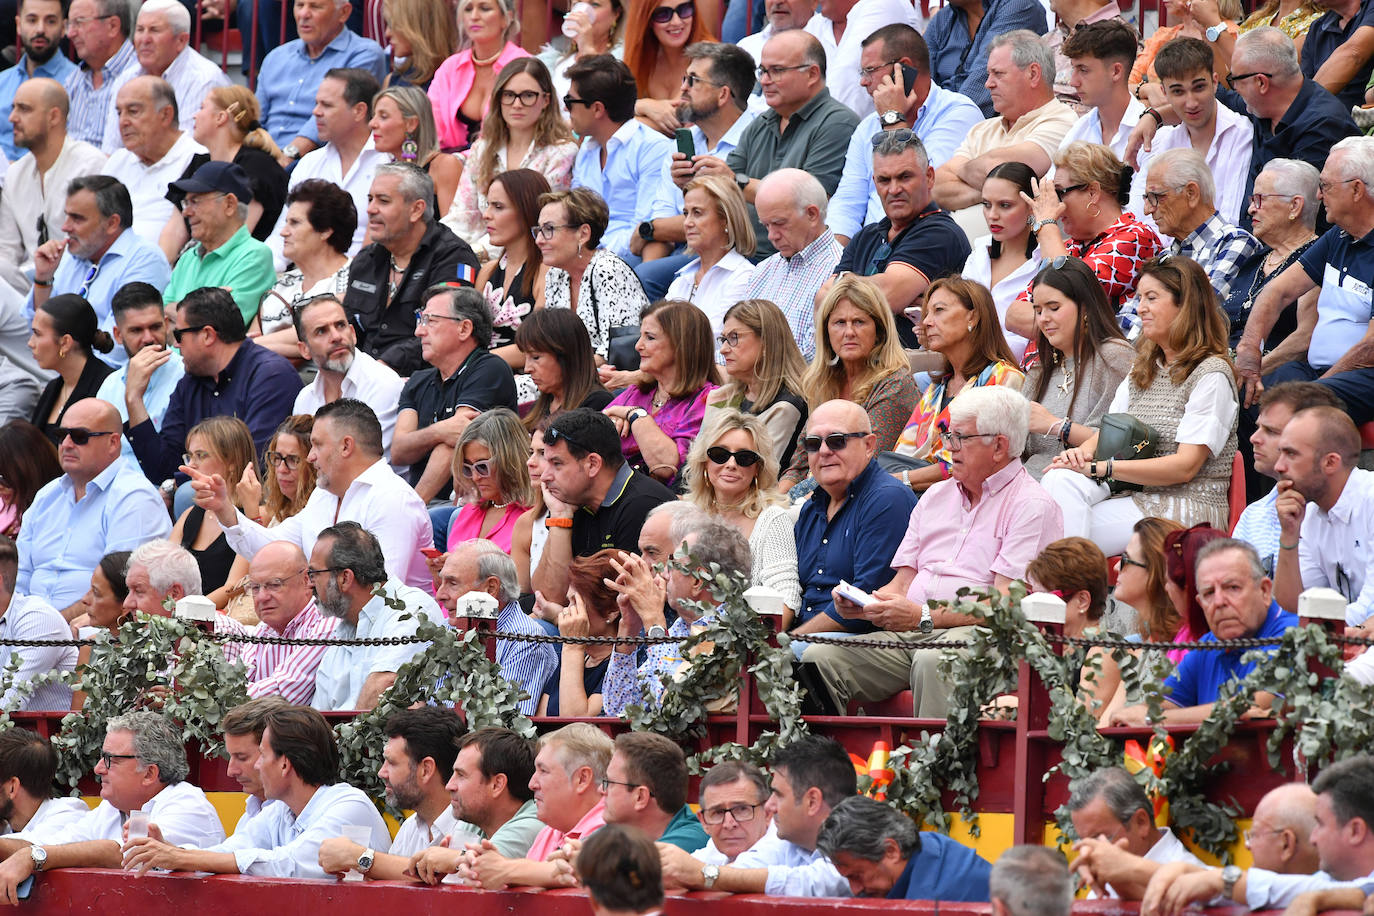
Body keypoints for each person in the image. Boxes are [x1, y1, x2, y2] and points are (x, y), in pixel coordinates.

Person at [799, 386, 1063, 717]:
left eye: (959, 438)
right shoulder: (937, 495)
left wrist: (923, 617)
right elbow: (901, 584)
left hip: (991, 640)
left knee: (933, 660)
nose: (948, 448)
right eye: (946, 435)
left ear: (999, 446)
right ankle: (824, 765)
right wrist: (867, 606)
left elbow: (1006, 604)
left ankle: (936, 770)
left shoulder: (1031, 505)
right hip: (917, 633)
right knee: (819, 658)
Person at [1041, 255, 1238, 554]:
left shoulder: (1211, 374)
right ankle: (1067, 589)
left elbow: (1185, 467)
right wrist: (1079, 456)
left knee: (1056, 527)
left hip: (1186, 508)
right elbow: (1109, 432)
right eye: (1139, 297)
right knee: (1059, 480)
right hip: (1135, 499)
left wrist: (1101, 468)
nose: (1140, 308)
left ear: (1185, 305)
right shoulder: (1145, 368)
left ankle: (1067, 590)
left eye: (1151, 298)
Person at [121, 705, 390, 878]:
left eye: (261, 755)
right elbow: (227, 852)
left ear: (285, 763)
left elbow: (290, 865)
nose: (258, 766)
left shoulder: (348, 804)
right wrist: (167, 849)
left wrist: (181, 857)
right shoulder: (281, 811)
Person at [195, 398, 434, 590]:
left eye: (317, 445)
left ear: (346, 446)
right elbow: (272, 550)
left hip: (384, 643)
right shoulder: (323, 495)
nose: (310, 457)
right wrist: (224, 508)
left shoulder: (392, 499)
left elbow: (383, 593)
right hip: (327, 632)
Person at [1129, 28, 1359, 226]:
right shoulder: (1263, 106)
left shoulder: (1322, 127)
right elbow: (1205, 101)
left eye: (1235, 80)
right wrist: (1153, 116)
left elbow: (1298, 219)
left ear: (1261, 82)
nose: (1234, 89)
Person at [0, 711, 225, 888]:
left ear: (149, 773)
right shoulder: (111, 808)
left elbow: (126, 854)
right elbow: (53, 844)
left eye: (110, 760)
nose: (98, 769)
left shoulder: (188, 805)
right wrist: (32, 853)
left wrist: (35, 856)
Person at [1238, 137, 1374, 420]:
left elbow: (1369, 349)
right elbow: (1276, 293)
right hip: (1318, 372)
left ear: (1357, 190)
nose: (1319, 196)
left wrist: (1317, 391)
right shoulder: (1337, 237)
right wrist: (1250, 353)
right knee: (1252, 391)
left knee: (1295, 405)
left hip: (1362, 376)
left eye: (1325, 186)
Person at [1138, 755, 1374, 913]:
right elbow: (1294, 888)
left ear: (1355, 830)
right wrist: (1197, 875)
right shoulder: (1328, 881)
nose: (1313, 838)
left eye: (1321, 824)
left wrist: (1223, 881)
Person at [701, 31, 857, 261]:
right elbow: (721, 189)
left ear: (812, 74)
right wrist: (696, 178)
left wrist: (734, 181)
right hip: (735, 253)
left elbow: (809, 201)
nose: (764, 80)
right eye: (763, 71)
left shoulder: (837, 123)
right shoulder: (761, 123)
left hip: (790, 258)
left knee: (652, 279)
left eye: (777, 71)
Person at [1110, 538, 1298, 726]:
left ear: (1264, 591)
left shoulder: (1293, 633)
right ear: (1200, 604)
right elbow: (1154, 706)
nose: (1219, 602)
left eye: (1232, 588)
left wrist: (1153, 720)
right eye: (1209, 593)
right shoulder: (1208, 646)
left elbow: (1260, 702)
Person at [829, 25, 984, 246]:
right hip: (867, 251)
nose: (863, 81)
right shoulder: (867, 126)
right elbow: (847, 202)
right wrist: (837, 261)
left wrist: (892, 118)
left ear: (904, 68)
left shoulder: (958, 113)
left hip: (921, 245)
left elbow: (919, 191)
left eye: (870, 70)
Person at [129, 287, 300, 486]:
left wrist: (175, 486)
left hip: (255, 503)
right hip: (206, 501)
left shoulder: (271, 376)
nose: (176, 345)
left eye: (178, 335)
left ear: (208, 335)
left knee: (186, 494)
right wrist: (134, 399)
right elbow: (162, 468)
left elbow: (252, 464)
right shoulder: (190, 383)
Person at [654, 735, 853, 896]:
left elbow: (813, 882)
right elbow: (744, 870)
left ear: (812, 801)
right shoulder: (789, 843)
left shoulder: (862, 836)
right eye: (717, 812)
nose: (770, 806)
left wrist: (701, 874)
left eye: (779, 795)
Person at [633, 42, 754, 301]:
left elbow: (736, 222)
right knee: (632, 273)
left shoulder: (754, 138)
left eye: (694, 80)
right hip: (684, 251)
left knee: (645, 276)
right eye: (684, 78)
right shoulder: (684, 142)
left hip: (732, 255)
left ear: (723, 94)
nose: (683, 88)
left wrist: (649, 229)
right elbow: (662, 216)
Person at [831, 131, 969, 349]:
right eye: (884, 180)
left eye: (905, 177)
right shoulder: (866, 236)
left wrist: (840, 283)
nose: (894, 189)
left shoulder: (939, 233)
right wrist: (858, 288)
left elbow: (888, 295)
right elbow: (822, 302)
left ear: (929, 177)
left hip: (912, 370)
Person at [787, 399, 917, 630]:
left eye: (837, 441)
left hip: (855, 642)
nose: (824, 451)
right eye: (813, 443)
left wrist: (786, 646)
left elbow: (863, 602)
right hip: (803, 639)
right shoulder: (810, 507)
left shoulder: (887, 499)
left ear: (869, 445)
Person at [888, 276, 1025, 494]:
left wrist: (898, 480)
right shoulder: (938, 388)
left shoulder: (1003, 378)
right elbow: (904, 451)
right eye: (926, 314)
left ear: (973, 316)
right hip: (918, 493)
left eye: (939, 310)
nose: (926, 322)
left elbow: (971, 462)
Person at [344, 163, 482, 376]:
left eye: (383, 201)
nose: (370, 209)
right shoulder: (366, 260)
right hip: (361, 375)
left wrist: (379, 369)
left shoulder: (452, 257)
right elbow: (349, 327)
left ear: (416, 209)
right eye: (370, 199)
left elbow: (446, 333)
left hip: (422, 380)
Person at [600, 516, 749, 713]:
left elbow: (671, 706)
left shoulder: (725, 632)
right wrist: (629, 628)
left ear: (698, 581)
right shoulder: (681, 627)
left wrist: (654, 619)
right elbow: (618, 709)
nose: (664, 574)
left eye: (674, 565)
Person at [780, 278, 917, 490]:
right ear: (826, 332)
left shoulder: (895, 384)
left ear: (879, 331)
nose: (849, 332)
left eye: (859, 322)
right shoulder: (823, 383)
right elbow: (799, 465)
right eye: (839, 323)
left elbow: (857, 466)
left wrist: (793, 504)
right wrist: (776, 505)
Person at [932, 31, 1075, 231]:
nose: (988, 83)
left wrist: (964, 171)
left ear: (1033, 74)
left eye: (998, 74)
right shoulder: (981, 129)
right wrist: (1000, 194)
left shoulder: (1062, 121)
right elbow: (938, 186)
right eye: (989, 74)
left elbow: (997, 167)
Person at [531, 408, 676, 600]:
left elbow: (618, 610)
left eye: (557, 464)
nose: (545, 476)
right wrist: (560, 518)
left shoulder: (644, 507)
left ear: (592, 464)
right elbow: (546, 596)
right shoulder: (572, 500)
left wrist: (556, 614)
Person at [443, 57, 577, 263]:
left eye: (528, 96)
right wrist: (441, 247)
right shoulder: (482, 149)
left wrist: (473, 253)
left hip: (532, 259)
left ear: (546, 100)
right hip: (475, 253)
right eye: (509, 95)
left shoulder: (561, 153)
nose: (517, 104)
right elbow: (463, 214)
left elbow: (531, 224)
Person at [392, 284, 517, 501]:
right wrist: (438, 431)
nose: (419, 331)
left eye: (430, 320)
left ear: (464, 329)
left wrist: (413, 509)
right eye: (421, 320)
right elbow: (399, 451)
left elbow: (457, 438)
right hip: (428, 504)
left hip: (472, 504)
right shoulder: (418, 380)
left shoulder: (489, 369)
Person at [305, 522, 445, 711]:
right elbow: (319, 717)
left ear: (345, 578)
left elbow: (384, 686)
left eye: (314, 574)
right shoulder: (343, 630)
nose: (310, 584)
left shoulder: (412, 609)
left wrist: (344, 739)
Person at [317, 706, 467, 879]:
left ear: (426, 769)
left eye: (392, 763)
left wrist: (360, 857)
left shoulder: (474, 828)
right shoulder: (410, 827)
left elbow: (435, 884)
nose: (382, 772)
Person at [1020, 256, 1135, 479]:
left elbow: (1123, 440)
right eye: (1038, 310)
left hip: (1080, 486)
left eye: (1053, 308)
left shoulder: (1114, 356)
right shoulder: (1039, 371)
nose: (1043, 319)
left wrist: (1055, 426)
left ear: (1085, 307)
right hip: (1027, 484)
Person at [461, 723, 614, 889]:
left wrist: (503, 869)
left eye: (543, 771)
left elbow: (581, 870)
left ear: (582, 779)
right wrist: (484, 868)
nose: (532, 784)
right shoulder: (551, 829)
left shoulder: (613, 827)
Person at [1021, 141, 1163, 316]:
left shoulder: (1137, 238)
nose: (1056, 204)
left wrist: (1046, 225)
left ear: (1093, 192)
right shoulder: (1069, 247)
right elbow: (1014, 314)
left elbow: (1065, 288)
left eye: (1060, 193)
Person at [266, 68, 384, 271]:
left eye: (326, 105)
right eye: (316, 103)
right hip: (305, 282)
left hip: (367, 282)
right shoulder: (309, 163)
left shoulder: (389, 161)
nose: (315, 112)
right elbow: (281, 237)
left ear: (359, 111)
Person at [26, 176, 170, 341]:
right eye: (67, 216)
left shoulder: (145, 260)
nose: (65, 227)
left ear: (112, 223)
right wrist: (43, 279)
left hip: (102, 365)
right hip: (55, 358)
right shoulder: (71, 255)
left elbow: (119, 345)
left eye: (77, 218)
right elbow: (35, 327)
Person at [0, 79, 106, 298]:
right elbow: (6, 252)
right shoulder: (15, 174)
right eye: (13, 109)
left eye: (24, 109)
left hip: (80, 291)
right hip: (27, 291)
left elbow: (94, 248)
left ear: (54, 117)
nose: (12, 118)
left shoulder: (90, 165)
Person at [565, 55, 674, 265]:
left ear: (597, 109)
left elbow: (644, 227)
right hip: (586, 257)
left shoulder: (652, 148)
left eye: (570, 102)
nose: (566, 110)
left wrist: (594, 256)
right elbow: (574, 215)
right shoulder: (587, 149)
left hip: (627, 263)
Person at [1271, 407, 1374, 625]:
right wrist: (1289, 535)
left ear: (1330, 462)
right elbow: (1294, 606)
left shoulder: (1370, 499)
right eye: (1280, 453)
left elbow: (1370, 607)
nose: (1278, 466)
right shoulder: (1309, 515)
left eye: (1291, 454)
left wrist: (1323, 633)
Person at [161, 86, 288, 260]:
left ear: (221, 117)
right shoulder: (199, 163)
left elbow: (235, 238)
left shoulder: (258, 166)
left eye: (202, 107)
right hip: (195, 261)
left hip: (237, 270)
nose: (194, 115)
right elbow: (174, 232)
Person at [604, 299, 720, 487]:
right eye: (640, 336)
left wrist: (635, 415)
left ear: (681, 345)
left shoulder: (708, 400)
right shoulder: (638, 391)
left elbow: (666, 467)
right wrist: (610, 421)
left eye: (649, 337)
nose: (638, 346)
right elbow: (591, 433)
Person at [1139, 38, 1254, 227]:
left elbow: (1229, 222)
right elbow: (1143, 217)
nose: (1191, 102)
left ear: (1215, 82)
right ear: (1164, 93)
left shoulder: (1241, 133)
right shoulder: (1163, 141)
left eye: (1199, 87)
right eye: (1178, 92)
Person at [434, 539, 557, 716]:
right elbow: (424, 701)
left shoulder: (527, 640)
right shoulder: (446, 629)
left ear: (490, 588)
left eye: (452, 583)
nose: (440, 595)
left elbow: (502, 724)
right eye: (441, 582)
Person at [406, 726, 543, 883]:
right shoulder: (476, 816)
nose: (449, 785)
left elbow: (486, 869)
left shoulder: (532, 823)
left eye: (461, 775)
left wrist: (456, 859)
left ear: (497, 785)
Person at [1233, 383, 1344, 572]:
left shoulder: (1361, 504)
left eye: (1271, 431)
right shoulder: (1254, 515)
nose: (1254, 438)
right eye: (1258, 427)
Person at [254, 0, 387, 159]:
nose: (304, 14)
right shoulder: (276, 56)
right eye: (299, 5)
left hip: (318, 158)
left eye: (315, 7)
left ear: (344, 13)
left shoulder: (363, 53)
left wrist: (288, 156)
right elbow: (255, 118)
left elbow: (334, 117)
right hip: (265, 159)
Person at [97, 0, 231, 156]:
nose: (144, 39)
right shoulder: (127, 78)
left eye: (154, 30)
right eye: (140, 30)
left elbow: (188, 156)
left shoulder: (204, 80)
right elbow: (111, 151)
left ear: (181, 40)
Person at [534, 187, 651, 363]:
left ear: (583, 234)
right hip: (570, 375)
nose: (539, 240)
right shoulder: (556, 275)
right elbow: (551, 344)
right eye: (539, 230)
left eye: (549, 229)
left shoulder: (609, 271)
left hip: (609, 380)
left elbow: (618, 352)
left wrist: (563, 375)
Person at [161, 161, 276, 325]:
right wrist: (196, 311)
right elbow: (161, 320)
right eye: (185, 203)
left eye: (195, 201)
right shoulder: (188, 258)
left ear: (229, 204)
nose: (186, 212)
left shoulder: (254, 256)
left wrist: (176, 312)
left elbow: (219, 326)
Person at [289, 296, 403, 460]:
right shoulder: (304, 399)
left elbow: (363, 465)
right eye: (321, 331)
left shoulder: (382, 384)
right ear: (304, 349)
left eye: (340, 325)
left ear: (353, 333)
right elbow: (302, 465)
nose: (336, 336)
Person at [815, 795, 993, 900]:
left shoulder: (931, 900)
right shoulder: (927, 843)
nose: (855, 890)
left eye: (857, 876)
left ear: (891, 851)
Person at [1223, 159, 1320, 348]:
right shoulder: (1253, 260)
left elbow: (1304, 339)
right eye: (1252, 201)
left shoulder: (1317, 259)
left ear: (1294, 206)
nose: (1251, 209)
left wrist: (1246, 371)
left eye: (1259, 200)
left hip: (1271, 372)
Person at [1065, 767, 1203, 899]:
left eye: (1100, 839)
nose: (1089, 853)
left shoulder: (1200, 879)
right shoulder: (1103, 877)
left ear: (1141, 823)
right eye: (1084, 843)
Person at [745, 170, 841, 360]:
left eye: (779, 223)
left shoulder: (839, 270)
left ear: (812, 214)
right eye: (766, 226)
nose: (771, 236)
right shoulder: (763, 271)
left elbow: (815, 360)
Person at [99, 76, 207, 245]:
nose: (123, 122)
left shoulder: (197, 161)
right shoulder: (117, 161)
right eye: (119, 113)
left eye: (133, 111)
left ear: (165, 115)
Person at [1144, 148, 1261, 301]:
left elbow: (1202, 312)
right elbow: (1128, 317)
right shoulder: (1165, 257)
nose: (1147, 210)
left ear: (1191, 193)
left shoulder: (1235, 242)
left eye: (1156, 197)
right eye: (1147, 198)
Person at [704, 299, 807, 471]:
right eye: (724, 339)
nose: (723, 349)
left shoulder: (786, 405)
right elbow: (695, 463)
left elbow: (755, 475)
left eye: (734, 338)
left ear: (767, 342)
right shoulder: (720, 396)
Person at [256, 181, 358, 350]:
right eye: (286, 222)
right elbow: (252, 337)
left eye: (294, 223)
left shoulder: (354, 278)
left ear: (325, 230)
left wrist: (252, 346)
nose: (283, 232)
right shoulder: (283, 283)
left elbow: (320, 339)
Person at [234, 540, 337, 704]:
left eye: (274, 585)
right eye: (255, 588)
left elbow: (284, 694)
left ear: (306, 580)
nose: (262, 597)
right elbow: (235, 678)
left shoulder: (325, 624)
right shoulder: (264, 630)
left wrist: (223, 698)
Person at [1025, 537, 1121, 712]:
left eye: (1046, 598)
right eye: (1031, 596)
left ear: (1082, 601)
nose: (1035, 605)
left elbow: (1083, 721)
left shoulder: (1105, 651)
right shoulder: (1041, 644)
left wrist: (1017, 707)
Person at [474, 168, 552, 381]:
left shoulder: (546, 272)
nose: (486, 214)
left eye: (498, 207)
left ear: (527, 212)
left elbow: (537, 345)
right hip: (480, 374)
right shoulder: (488, 271)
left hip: (525, 379)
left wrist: (473, 365)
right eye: (487, 205)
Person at [94, 283, 185, 463]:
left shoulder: (186, 376)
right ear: (118, 335)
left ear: (167, 325)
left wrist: (133, 397)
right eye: (136, 330)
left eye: (155, 327)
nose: (148, 338)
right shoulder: (109, 386)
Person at [170, 415, 255, 604]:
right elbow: (163, 573)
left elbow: (233, 587)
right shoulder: (188, 516)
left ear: (231, 461)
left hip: (217, 624)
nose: (191, 464)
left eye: (201, 455)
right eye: (189, 456)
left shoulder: (254, 514)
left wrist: (181, 618)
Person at [962, 163, 1042, 363]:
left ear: (1032, 206)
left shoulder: (1043, 260)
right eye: (986, 204)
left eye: (1005, 205)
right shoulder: (978, 254)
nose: (992, 215)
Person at [426, 0, 530, 154]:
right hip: (448, 164)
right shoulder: (450, 68)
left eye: (485, 8)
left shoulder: (524, 66)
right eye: (468, 9)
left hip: (505, 162)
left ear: (506, 18)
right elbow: (431, 126)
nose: (474, 16)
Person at [925, 0, 1049, 119]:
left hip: (990, 128)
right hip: (939, 121)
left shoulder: (1018, 6)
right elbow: (919, 80)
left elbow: (980, 89)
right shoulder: (943, 18)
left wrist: (932, 122)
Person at [662, 177, 755, 331]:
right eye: (686, 213)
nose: (687, 223)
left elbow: (718, 339)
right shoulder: (682, 279)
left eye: (697, 213)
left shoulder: (743, 277)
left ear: (725, 219)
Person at [26, 295, 115, 446]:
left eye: (37, 334)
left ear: (65, 342)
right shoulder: (53, 387)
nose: (30, 343)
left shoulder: (108, 386)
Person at [440, 409, 532, 553]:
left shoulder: (533, 517)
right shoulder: (467, 514)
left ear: (509, 460)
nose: (475, 477)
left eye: (482, 466)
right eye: (467, 468)